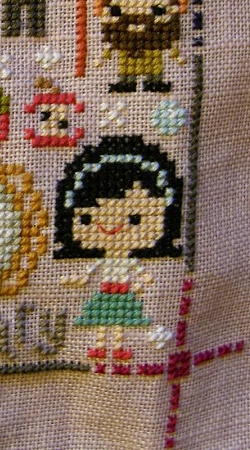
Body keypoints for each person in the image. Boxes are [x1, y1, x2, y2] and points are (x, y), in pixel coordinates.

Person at [54, 135, 183, 360]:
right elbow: (92, 270)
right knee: (104, 320)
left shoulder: (129, 259)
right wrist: (80, 278)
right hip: (107, 290)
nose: (111, 227)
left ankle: (116, 347)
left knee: (117, 320)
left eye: (134, 219)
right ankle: (101, 346)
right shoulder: (106, 259)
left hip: (122, 291)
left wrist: (143, 278)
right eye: (87, 218)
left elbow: (137, 270)